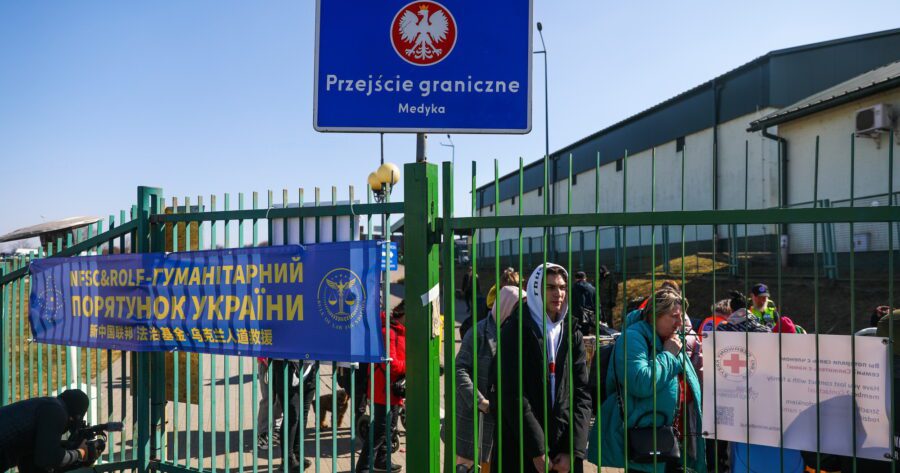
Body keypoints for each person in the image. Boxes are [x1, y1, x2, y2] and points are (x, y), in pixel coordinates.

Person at [589, 289, 706, 473]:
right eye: (674, 316)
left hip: (673, 440)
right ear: (654, 316)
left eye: (681, 317)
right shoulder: (633, 338)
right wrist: (668, 355)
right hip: (645, 441)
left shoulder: (671, 339)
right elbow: (641, 382)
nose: (680, 323)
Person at [493, 263, 592, 473]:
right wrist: (537, 449)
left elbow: (582, 392)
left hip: (563, 451)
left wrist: (572, 449)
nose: (559, 293)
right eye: (551, 287)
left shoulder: (571, 331)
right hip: (523, 448)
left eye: (563, 287)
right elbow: (512, 394)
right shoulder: (515, 330)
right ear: (536, 290)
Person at [455, 286, 525, 472]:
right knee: (471, 465)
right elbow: (459, 369)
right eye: (517, 308)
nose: (520, 313)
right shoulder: (478, 332)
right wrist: (479, 401)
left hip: (508, 419)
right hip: (477, 417)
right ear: (505, 306)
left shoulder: (521, 334)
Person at [0, 389, 102, 472]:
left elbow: (30, 463)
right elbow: (48, 458)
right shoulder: (57, 411)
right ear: (74, 417)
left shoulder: (47, 405)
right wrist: (80, 453)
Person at [358, 301, 407, 472]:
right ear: (404, 314)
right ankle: (364, 467)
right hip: (383, 388)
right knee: (380, 429)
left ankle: (382, 460)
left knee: (390, 426)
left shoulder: (400, 330)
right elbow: (391, 365)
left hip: (393, 388)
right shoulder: (389, 332)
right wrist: (411, 365)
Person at [270, 359, 319, 470]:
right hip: (288, 369)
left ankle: (297, 455)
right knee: (292, 417)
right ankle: (287, 460)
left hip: (311, 369)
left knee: (303, 415)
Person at [256, 357, 283, 450]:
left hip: (282, 362)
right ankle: (262, 433)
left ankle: (276, 429)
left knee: (280, 398)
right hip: (266, 363)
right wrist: (264, 358)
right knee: (268, 398)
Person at [571, 271, 598, 335]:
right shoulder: (593, 289)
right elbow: (597, 304)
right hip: (589, 316)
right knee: (587, 335)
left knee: (575, 335)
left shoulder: (572, 288)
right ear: (585, 278)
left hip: (575, 316)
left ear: (576, 279)